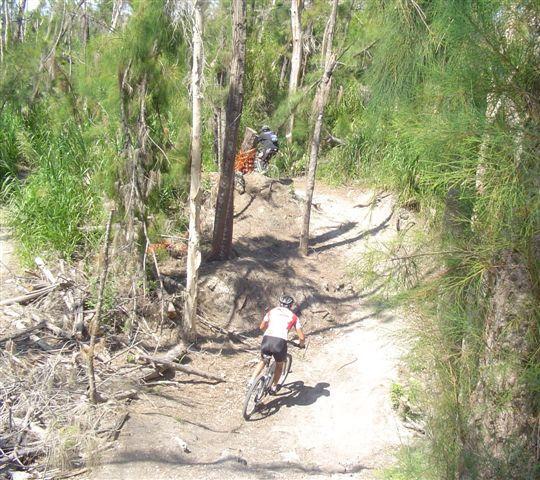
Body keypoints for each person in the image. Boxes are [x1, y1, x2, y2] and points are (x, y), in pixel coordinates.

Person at [247, 294, 306, 394]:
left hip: (267, 339)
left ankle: (251, 380)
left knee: (263, 360)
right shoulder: (294, 317)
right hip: (279, 342)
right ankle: (273, 387)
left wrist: (270, 332)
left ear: (280, 303)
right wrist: (301, 345)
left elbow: (261, 327)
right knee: (279, 364)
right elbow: (301, 337)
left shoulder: (271, 312)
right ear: (291, 306)